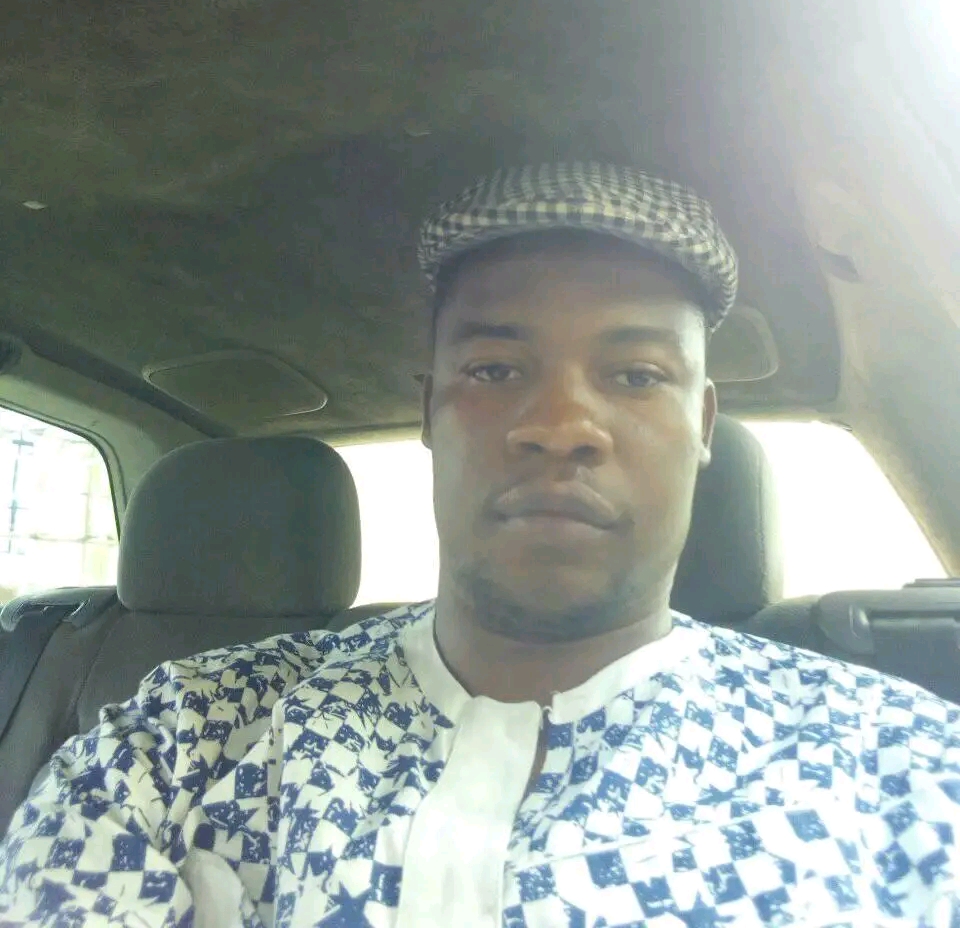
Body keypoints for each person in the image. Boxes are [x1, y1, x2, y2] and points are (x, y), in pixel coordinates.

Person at [2, 161, 959, 927]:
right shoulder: (174, 744)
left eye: (635, 375)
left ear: (703, 424)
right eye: (495, 369)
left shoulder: (901, 775)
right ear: (431, 412)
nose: (561, 426)